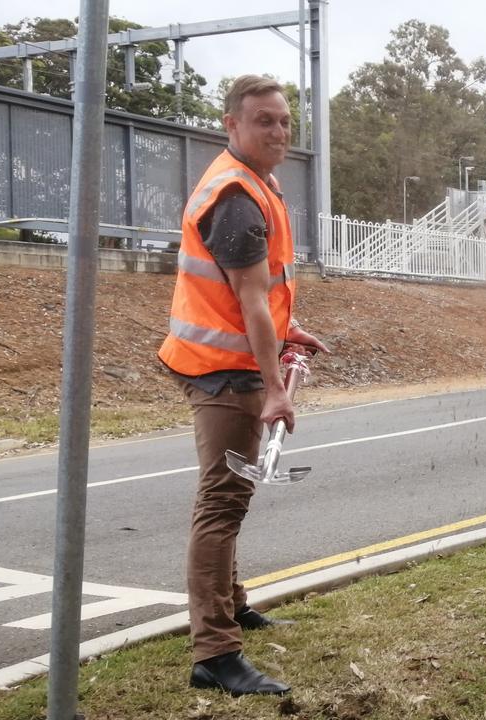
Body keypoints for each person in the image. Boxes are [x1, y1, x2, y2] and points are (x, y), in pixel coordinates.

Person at [158, 75, 328, 695]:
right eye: (264, 121)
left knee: (228, 492)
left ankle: (233, 607)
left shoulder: (255, 183)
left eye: (284, 120)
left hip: (224, 359)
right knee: (223, 501)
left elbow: (256, 296)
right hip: (223, 372)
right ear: (231, 125)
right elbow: (252, 306)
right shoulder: (235, 196)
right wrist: (275, 387)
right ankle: (215, 653)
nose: (279, 131)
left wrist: (293, 329)